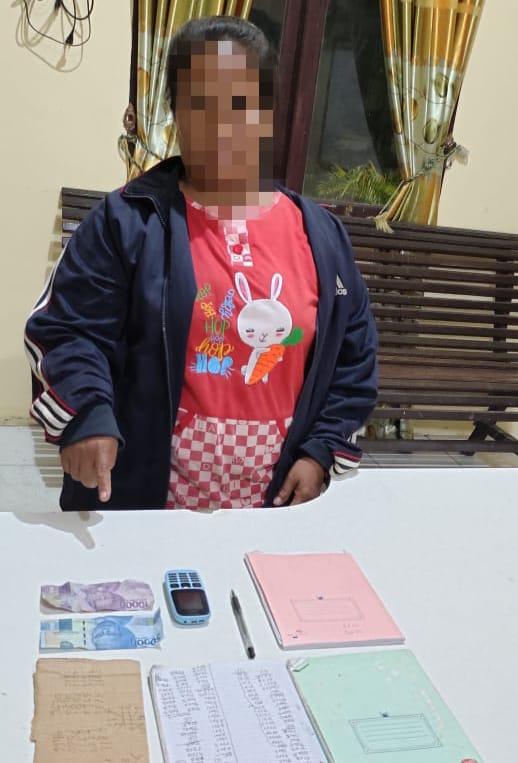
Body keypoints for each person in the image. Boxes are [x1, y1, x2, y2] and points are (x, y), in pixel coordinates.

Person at [25, 15, 377, 511]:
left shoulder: (320, 236)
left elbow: (354, 358)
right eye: (201, 104)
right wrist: (87, 411)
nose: (222, 125)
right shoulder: (126, 221)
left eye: (240, 104)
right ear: (175, 112)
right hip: (144, 510)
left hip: (272, 513)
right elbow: (68, 329)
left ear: (267, 114)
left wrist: (320, 450)